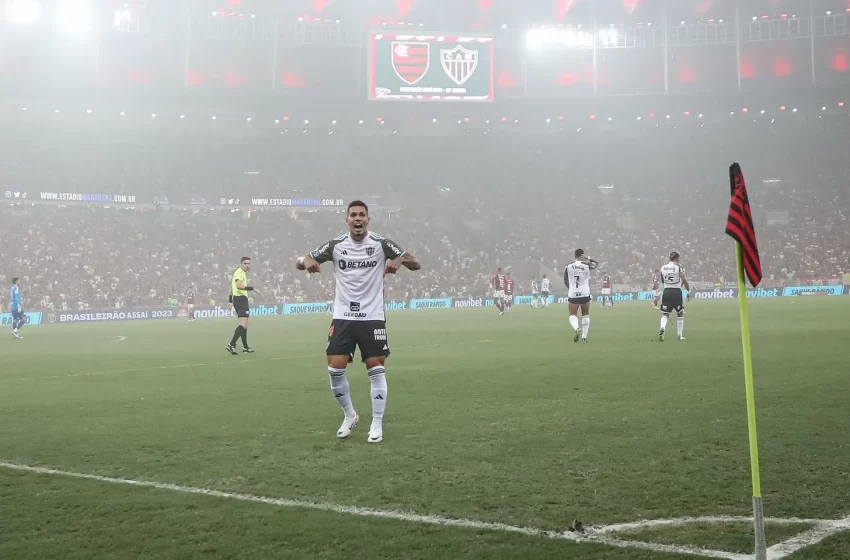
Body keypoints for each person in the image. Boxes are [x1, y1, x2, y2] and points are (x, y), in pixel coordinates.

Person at [296, 200, 420, 444]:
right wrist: (304, 261)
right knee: (334, 369)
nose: (358, 218)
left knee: (375, 367)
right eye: (353, 215)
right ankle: (350, 414)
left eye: (362, 215)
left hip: (372, 317)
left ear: (368, 220)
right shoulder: (335, 245)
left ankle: (376, 423)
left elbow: (415, 262)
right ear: (347, 220)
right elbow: (302, 261)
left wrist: (400, 261)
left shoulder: (381, 244)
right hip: (343, 316)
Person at [564, 249, 599, 342]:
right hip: (584, 293)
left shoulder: (568, 266)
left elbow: (565, 280)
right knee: (585, 315)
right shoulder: (587, 265)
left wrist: (571, 288)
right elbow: (596, 264)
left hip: (573, 294)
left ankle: (576, 328)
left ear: (575, 256)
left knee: (572, 315)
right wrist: (589, 258)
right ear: (582, 255)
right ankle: (584, 336)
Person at [226, 257, 255, 354]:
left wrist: (230, 301)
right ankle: (231, 344)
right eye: (245, 263)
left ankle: (245, 347)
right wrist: (252, 288)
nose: (247, 265)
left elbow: (232, 288)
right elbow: (238, 286)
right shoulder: (239, 272)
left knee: (245, 325)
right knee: (243, 324)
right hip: (241, 299)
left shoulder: (240, 273)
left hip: (237, 299)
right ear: (241, 264)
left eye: (249, 263)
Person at [658, 252, 690, 341]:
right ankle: (679, 335)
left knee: (665, 313)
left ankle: (662, 327)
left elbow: (662, 280)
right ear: (677, 258)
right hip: (676, 292)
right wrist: (688, 290)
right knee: (680, 313)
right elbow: (684, 280)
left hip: (667, 291)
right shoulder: (679, 267)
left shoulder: (663, 267)